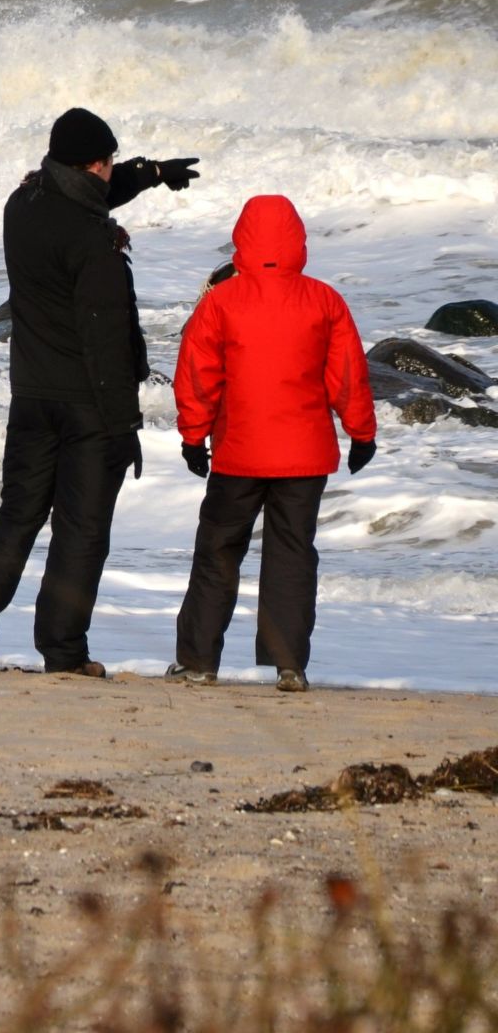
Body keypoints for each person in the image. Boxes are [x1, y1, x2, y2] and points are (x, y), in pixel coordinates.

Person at [0, 108, 198, 676]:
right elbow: (105, 340)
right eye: (112, 162)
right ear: (95, 164)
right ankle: (64, 652)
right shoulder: (94, 242)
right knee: (81, 531)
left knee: (16, 519)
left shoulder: (22, 205)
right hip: (87, 406)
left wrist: (149, 173)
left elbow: (82, 196)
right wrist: (125, 425)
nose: (114, 170)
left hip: (31, 397)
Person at [165, 195, 376, 692]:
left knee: (217, 550)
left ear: (242, 238)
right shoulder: (324, 300)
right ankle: (289, 665)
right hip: (304, 459)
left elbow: (196, 377)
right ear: (297, 240)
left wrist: (193, 437)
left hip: (238, 453)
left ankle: (198, 662)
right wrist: (361, 432)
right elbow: (347, 376)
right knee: (292, 555)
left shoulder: (221, 301)